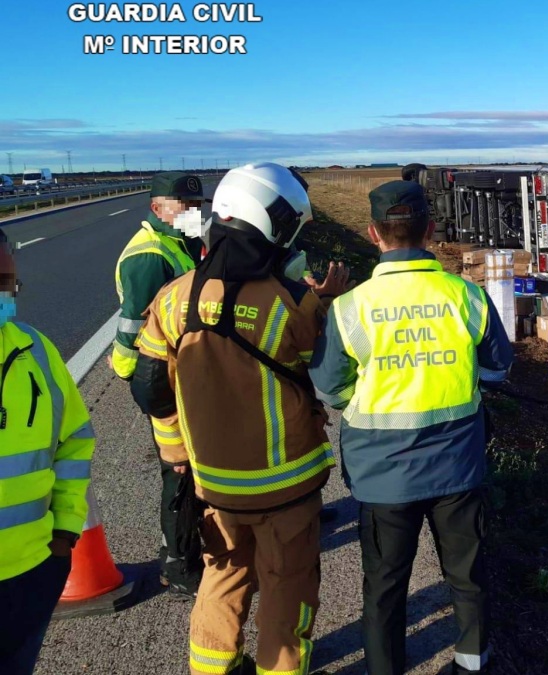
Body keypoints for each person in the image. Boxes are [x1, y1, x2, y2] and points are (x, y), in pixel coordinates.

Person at [132, 162, 342, 675]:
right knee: (287, 585)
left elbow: (149, 386)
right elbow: (331, 368)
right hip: (286, 486)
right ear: (273, 227)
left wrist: (176, 452)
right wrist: (328, 300)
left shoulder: (175, 297)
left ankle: (212, 667)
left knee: (222, 577)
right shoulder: (292, 302)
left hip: (214, 487)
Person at [311, 180, 514, 675]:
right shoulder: (466, 296)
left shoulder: (349, 308)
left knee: (384, 590)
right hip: (459, 469)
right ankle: (472, 666)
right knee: (468, 580)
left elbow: (330, 389)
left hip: (382, 477)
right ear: (430, 230)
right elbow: (497, 370)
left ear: (372, 234)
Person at [0, 229, 96, 674]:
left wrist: (66, 534)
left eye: (7, 283)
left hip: (32, 573)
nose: (4, 295)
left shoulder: (34, 350)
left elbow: (74, 440)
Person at [111, 170, 206, 596]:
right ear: (156, 208)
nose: (190, 212)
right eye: (180, 206)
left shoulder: (181, 242)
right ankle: (179, 563)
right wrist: (141, 386)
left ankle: (195, 546)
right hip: (163, 382)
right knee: (179, 471)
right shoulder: (150, 255)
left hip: (187, 374)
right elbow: (133, 329)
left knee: (195, 467)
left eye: (195, 205)